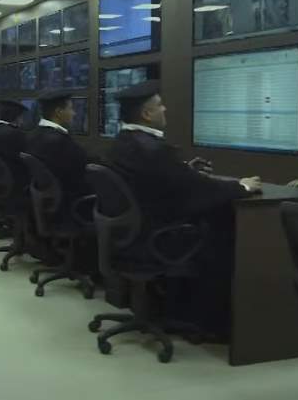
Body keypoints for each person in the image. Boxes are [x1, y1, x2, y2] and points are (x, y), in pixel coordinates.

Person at [106, 80, 261, 338]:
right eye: (159, 105)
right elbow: (200, 190)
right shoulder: (155, 150)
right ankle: (209, 325)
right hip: (157, 239)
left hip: (130, 237)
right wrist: (242, 186)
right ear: (146, 114)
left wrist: (184, 170)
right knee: (221, 228)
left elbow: (158, 180)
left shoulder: (122, 143)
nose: (165, 109)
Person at [25, 89, 93, 220]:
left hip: (47, 202)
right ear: (58, 112)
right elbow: (81, 171)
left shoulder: (33, 135)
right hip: (70, 205)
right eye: (71, 109)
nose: (74, 113)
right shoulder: (60, 141)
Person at [0, 99, 29, 198]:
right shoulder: (16, 133)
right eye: (22, 117)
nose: (23, 120)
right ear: (17, 117)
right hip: (14, 180)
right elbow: (26, 159)